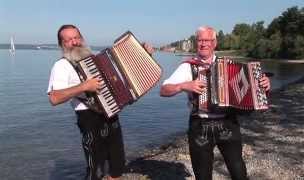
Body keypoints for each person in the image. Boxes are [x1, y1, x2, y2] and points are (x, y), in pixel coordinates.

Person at [160, 26, 270, 180]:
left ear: (214, 43)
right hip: (200, 126)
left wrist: (263, 84)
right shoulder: (187, 66)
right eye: (200, 40)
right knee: (203, 175)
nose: (203, 44)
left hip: (228, 123)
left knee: (239, 172)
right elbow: (164, 90)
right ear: (195, 42)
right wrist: (183, 85)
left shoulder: (229, 64)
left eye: (207, 40)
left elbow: (252, 86)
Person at [47, 24, 154, 180]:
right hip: (88, 118)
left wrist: (143, 54)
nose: (75, 42)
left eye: (77, 37)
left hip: (111, 115)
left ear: (82, 38)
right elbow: (54, 98)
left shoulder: (95, 58)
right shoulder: (61, 66)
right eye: (69, 39)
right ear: (62, 44)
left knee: (117, 166)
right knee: (96, 170)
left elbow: (123, 74)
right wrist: (84, 86)